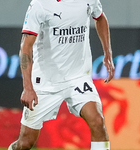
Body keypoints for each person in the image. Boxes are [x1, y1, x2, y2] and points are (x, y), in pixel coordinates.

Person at [8, 0, 114, 149]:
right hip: (46, 82)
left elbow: (100, 17)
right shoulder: (40, 4)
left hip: (78, 78)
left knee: (97, 121)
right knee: (25, 143)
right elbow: (26, 47)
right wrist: (28, 88)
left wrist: (107, 53)